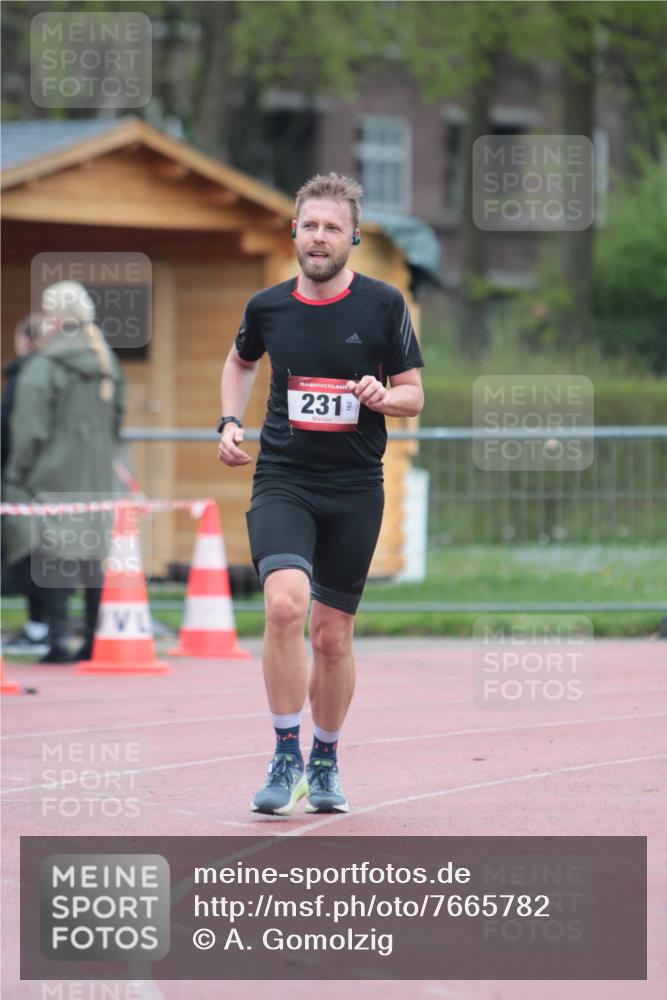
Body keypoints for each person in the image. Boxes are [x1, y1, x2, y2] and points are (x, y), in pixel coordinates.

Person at [217, 173, 424, 815]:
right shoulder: (268, 307)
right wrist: (229, 421)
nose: (319, 236)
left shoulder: (385, 304)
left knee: (332, 635)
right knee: (284, 606)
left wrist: (386, 398)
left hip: (356, 487)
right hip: (284, 478)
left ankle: (325, 759)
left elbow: (415, 394)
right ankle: (284, 751)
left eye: (333, 227)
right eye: (310, 225)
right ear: (294, 232)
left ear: (353, 237)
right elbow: (240, 361)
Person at [3, 281, 126, 663]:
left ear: (54, 317)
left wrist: (16, 474)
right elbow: (117, 422)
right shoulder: (107, 362)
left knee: (53, 552)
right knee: (92, 555)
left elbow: (29, 432)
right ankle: (93, 639)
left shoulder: (43, 366)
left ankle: (57, 640)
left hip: (50, 474)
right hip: (96, 475)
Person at [1, 314, 51, 654]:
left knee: (28, 552)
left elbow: (14, 430)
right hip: (41, 477)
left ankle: (40, 630)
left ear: (25, 341)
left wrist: (15, 473)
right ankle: (40, 628)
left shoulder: (28, 375)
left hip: (21, 478)